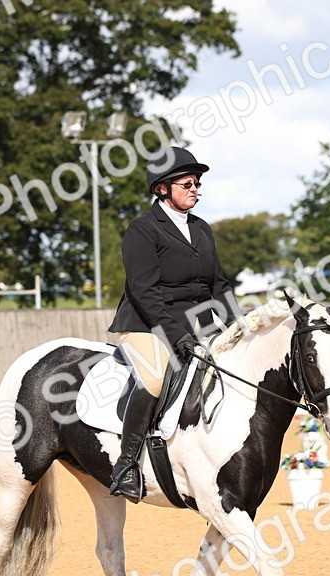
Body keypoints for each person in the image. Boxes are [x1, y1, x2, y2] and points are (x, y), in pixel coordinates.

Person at [106, 146, 238, 500]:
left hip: (197, 323)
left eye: (197, 184)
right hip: (146, 323)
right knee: (154, 377)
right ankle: (126, 465)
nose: (195, 189)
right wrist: (177, 335)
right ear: (162, 188)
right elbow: (145, 292)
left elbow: (219, 285)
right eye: (187, 184)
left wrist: (238, 326)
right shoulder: (143, 230)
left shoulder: (201, 228)